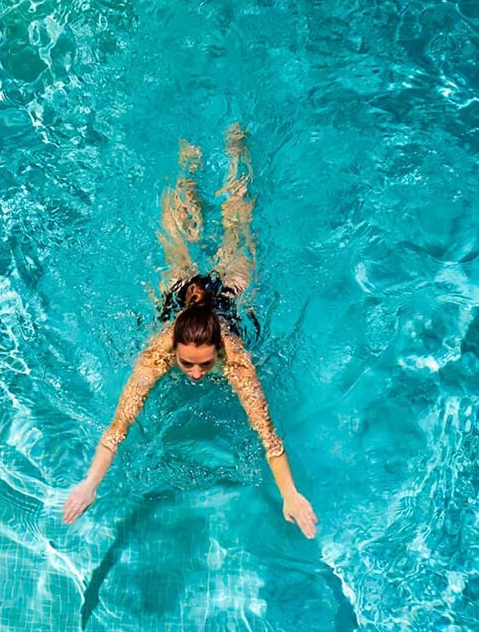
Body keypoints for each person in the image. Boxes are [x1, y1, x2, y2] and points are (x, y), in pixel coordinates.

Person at [62, 124, 318, 538]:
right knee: (177, 230)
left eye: (204, 364)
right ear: (174, 351)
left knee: (240, 223)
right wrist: (90, 484)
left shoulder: (236, 362)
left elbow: (268, 435)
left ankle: (237, 147)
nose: (196, 374)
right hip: (184, 294)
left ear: (219, 350)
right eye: (188, 364)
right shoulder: (157, 354)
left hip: (229, 299)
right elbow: (118, 426)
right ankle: (188, 159)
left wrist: (290, 494)